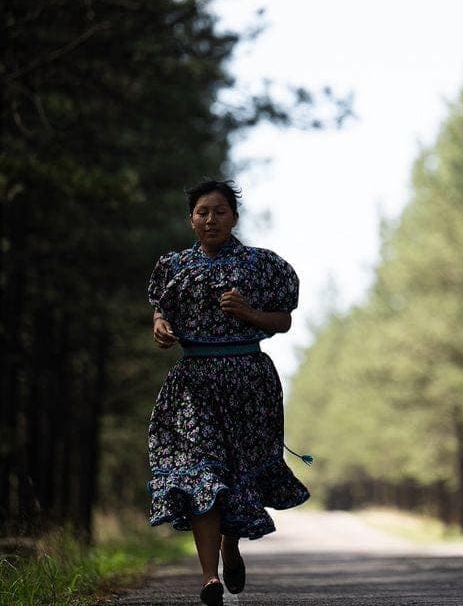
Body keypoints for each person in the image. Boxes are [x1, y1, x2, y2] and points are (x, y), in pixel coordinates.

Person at [146, 178, 310, 606]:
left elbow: (283, 321)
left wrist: (249, 312)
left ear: (234, 217)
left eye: (220, 211)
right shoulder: (173, 266)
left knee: (236, 474)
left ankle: (229, 545)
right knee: (203, 472)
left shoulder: (261, 265)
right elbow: (161, 312)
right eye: (203, 212)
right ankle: (207, 577)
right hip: (193, 384)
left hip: (247, 381)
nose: (211, 219)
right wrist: (161, 328)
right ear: (191, 219)